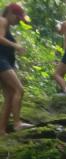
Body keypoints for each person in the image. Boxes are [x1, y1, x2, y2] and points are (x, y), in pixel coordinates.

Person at [0, 4, 28, 136]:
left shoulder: (7, 25)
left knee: (10, 96)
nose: (18, 22)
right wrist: (16, 46)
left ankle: (2, 130)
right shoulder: (2, 20)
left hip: (5, 62)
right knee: (19, 90)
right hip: (1, 62)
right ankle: (17, 124)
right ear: (10, 13)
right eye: (18, 18)